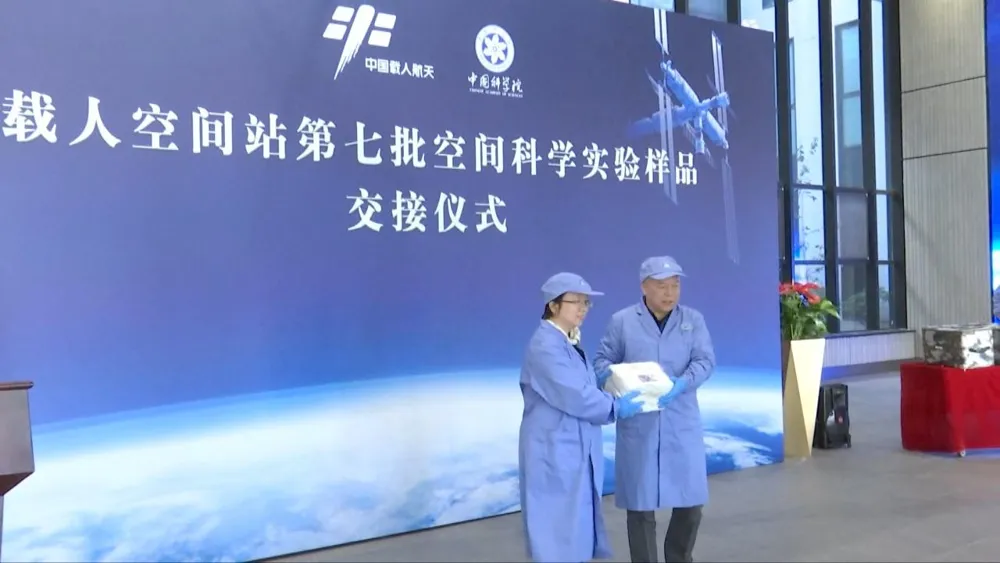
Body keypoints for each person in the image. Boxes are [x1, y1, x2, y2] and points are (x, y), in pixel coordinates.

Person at [519, 272, 650, 563]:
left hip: (572, 447)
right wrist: (615, 406)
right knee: (556, 528)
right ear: (553, 305)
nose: (583, 308)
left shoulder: (567, 342)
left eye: (586, 303)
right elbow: (575, 395)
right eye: (575, 302)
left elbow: (581, 388)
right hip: (554, 450)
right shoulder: (545, 346)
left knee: (573, 524)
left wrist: (607, 382)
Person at [594, 256, 716, 563]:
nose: (670, 293)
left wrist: (683, 382)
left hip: (681, 422)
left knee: (691, 503)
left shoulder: (693, 320)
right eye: (662, 286)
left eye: (675, 285)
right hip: (640, 424)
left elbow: (705, 361)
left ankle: (679, 557)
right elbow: (601, 362)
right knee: (640, 508)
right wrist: (615, 380)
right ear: (644, 287)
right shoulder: (622, 321)